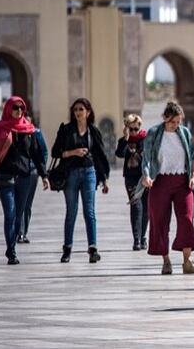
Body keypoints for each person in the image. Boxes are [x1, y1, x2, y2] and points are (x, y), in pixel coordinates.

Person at [0, 96, 48, 264]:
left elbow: (37, 155)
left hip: (24, 178)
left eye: (21, 108)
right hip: (4, 177)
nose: (18, 111)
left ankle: (14, 242)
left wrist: (44, 175)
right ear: (8, 109)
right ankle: (11, 251)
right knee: (9, 214)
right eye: (15, 108)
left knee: (18, 215)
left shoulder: (29, 131)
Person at [139, 101, 194, 275]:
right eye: (172, 122)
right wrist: (146, 175)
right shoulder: (153, 133)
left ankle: (187, 261)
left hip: (182, 181)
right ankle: (166, 261)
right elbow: (147, 159)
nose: (175, 125)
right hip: (160, 182)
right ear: (165, 119)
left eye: (178, 121)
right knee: (160, 221)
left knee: (187, 219)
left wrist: (192, 176)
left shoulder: (184, 133)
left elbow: (191, 158)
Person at [52, 97, 111, 264]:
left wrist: (105, 178)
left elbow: (100, 156)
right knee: (71, 212)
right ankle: (67, 249)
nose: (78, 112)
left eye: (81, 109)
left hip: (89, 173)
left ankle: (93, 248)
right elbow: (55, 152)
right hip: (70, 174)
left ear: (88, 112)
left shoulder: (94, 131)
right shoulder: (66, 130)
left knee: (89, 212)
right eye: (75, 109)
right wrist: (73, 152)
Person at [115, 113, 150, 250]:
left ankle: (143, 238)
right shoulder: (124, 140)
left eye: (136, 128)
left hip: (145, 176)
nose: (134, 132)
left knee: (146, 208)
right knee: (136, 206)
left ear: (140, 127)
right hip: (131, 178)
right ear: (126, 128)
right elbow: (120, 154)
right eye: (131, 129)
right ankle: (136, 240)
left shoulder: (146, 139)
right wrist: (125, 138)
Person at [17, 121, 49, 245]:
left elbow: (43, 152)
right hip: (18, 171)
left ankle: (23, 232)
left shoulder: (36, 133)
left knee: (27, 204)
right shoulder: (15, 131)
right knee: (19, 203)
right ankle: (19, 232)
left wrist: (41, 169)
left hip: (32, 172)